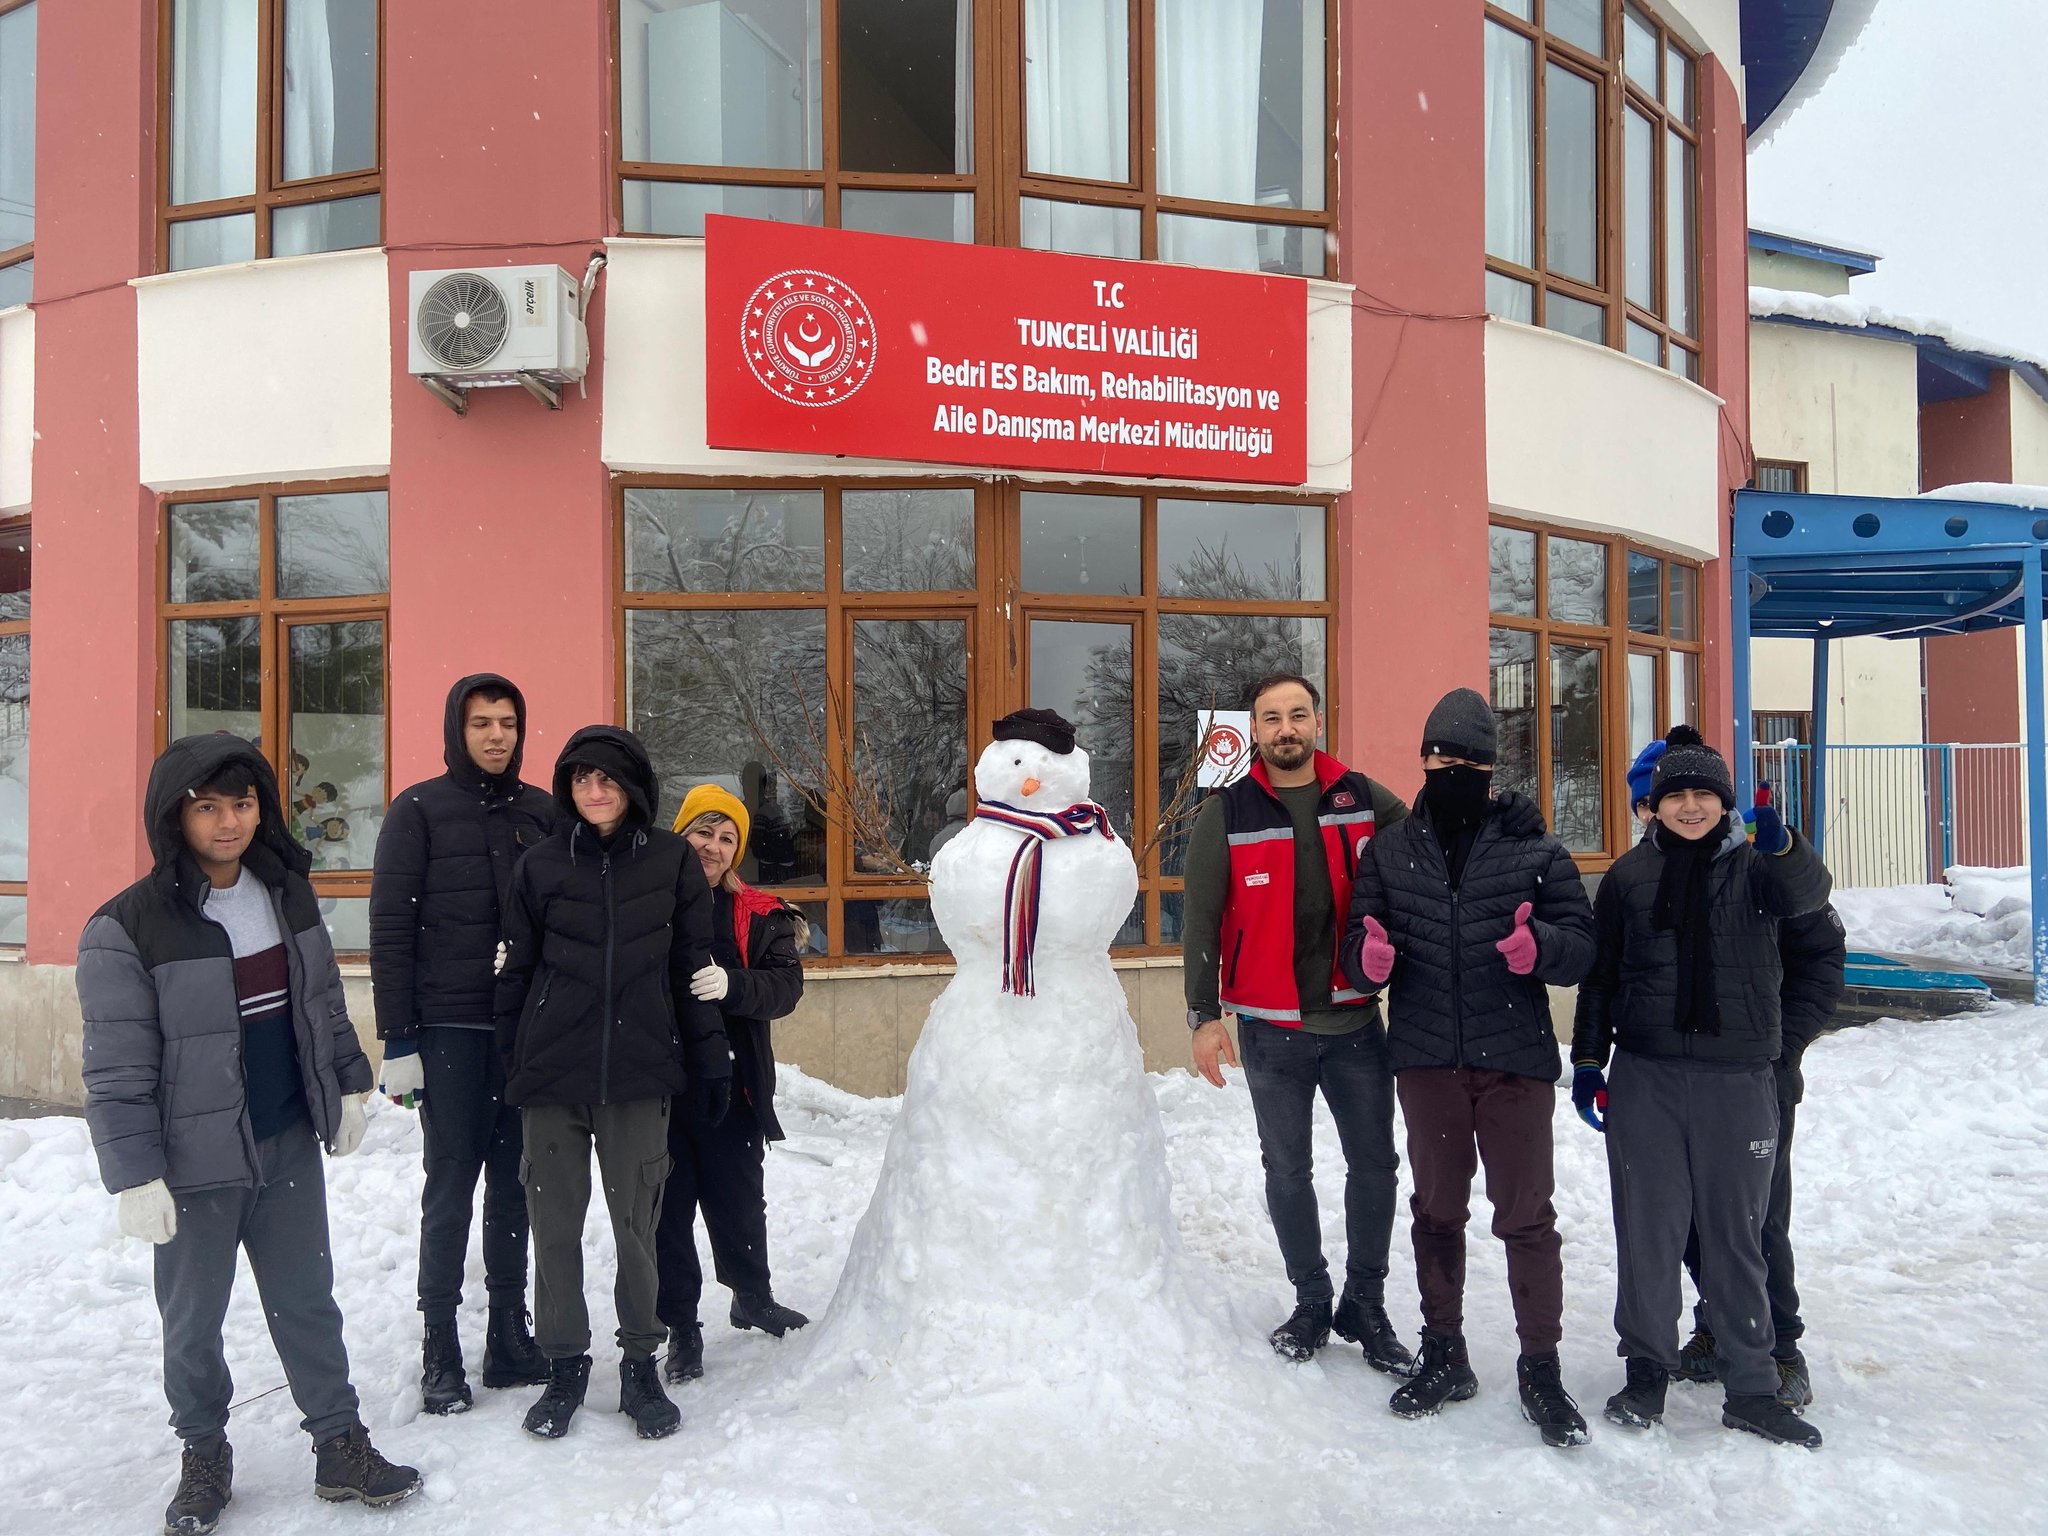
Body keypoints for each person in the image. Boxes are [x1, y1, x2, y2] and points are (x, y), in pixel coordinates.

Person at [78, 734, 420, 1535]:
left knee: (307, 1302)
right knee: (192, 1321)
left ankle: (339, 1443)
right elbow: (117, 1070)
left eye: (242, 804)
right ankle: (204, 1453)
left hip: (286, 1138)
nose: (227, 822)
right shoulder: (127, 927)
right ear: (175, 816)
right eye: (207, 807)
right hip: (193, 1164)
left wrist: (348, 1084)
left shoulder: (286, 894)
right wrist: (135, 1174)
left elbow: (322, 1001)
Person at [1340, 688, 1595, 1446]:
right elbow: (1355, 945)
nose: (1448, 769)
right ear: (1422, 761)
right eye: (1437, 756)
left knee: (1526, 1218)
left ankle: (1540, 1366)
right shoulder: (1389, 851)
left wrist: (1541, 949)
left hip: (1514, 1061)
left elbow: (1583, 949)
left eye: (1465, 760)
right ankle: (1445, 1352)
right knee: (1436, 1212)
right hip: (1428, 1063)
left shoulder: (1536, 851)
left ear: (1489, 767)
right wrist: (1368, 961)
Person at [1571, 724, 1832, 1450]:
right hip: (1647, 1074)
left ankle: (1752, 1387)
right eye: (1676, 795)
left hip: (1740, 1077)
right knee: (1649, 1232)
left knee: (1737, 1236)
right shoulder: (1628, 877)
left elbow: (1808, 895)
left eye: (1704, 795)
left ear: (1725, 802)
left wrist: (1785, 846)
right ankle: (1646, 1371)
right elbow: (1601, 977)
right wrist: (1588, 1061)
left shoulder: (1758, 869)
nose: (1690, 807)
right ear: (1653, 805)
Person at [494, 725, 733, 1442]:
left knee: (637, 1226)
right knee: (554, 1227)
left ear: (632, 786)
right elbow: (516, 971)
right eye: (581, 778)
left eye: (607, 779)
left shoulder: (670, 860)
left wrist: (711, 1057)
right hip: (552, 1076)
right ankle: (565, 1364)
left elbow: (691, 965)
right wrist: (512, 1062)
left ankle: (639, 1365)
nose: (593, 791)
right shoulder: (540, 865)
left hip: (638, 1073)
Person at [1181, 673, 1416, 1373]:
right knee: (1287, 1168)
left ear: (1317, 721)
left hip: (1355, 1025)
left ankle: (1365, 1302)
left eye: (1297, 714)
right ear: (1254, 730)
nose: (1286, 728)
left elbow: (1428, 845)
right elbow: (1200, 920)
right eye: (1271, 717)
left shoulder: (1362, 797)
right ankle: (1312, 1299)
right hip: (1271, 1030)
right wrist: (1203, 1014)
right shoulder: (1227, 812)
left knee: (1375, 1165)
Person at [369, 674, 558, 1415]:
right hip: (448, 1033)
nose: (496, 735)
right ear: (458, 729)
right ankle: (440, 1345)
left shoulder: (543, 813)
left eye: (507, 722)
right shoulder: (417, 810)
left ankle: (508, 1335)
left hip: (522, 1032)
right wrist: (398, 1040)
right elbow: (391, 930)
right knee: (449, 1188)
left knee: (515, 1187)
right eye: (481, 723)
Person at [655, 784, 811, 1384]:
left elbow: (785, 987)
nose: (713, 847)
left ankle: (752, 1295)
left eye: (727, 838)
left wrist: (734, 985)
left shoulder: (758, 912)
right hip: (662, 1085)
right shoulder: (648, 900)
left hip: (735, 1085)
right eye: (704, 831)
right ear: (681, 833)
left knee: (740, 1198)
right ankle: (681, 1326)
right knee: (668, 1211)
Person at [1675, 905, 1847, 1408]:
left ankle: (1781, 1350)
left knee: (1755, 1219)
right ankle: (1719, 1324)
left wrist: (1778, 1045)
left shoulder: (1775, 875)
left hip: (1760, 1079)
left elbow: (1822, 959)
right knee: (1689, 1216)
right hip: (1680, 1079)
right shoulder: (1662, 872)